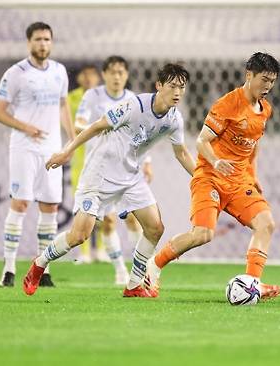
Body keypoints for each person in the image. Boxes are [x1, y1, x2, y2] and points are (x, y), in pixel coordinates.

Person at [22, 63, 195, 298]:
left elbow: (182, 153)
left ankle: (134, 284)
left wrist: (204, 178)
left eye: (181, 87)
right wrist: (67, 151)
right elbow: (97, 126)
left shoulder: (174, 119)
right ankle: (39, 264)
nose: (177, 92)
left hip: (131, 177)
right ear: (159, 86)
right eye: (172, 86)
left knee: (155, 228)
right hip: (100, 174)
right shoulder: (135, 105)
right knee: (79, 236)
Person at [144, 52, 280, 300]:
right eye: (264, 80)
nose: (268, 86)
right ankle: (153, 265)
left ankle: (251, 283)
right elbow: (201, 141)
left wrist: (254, 175)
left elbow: (254, 143)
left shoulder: (265, 110)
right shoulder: (228, 104)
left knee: (266, 224)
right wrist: (216, 161)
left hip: (240, 181)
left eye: (272, 81)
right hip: (210, 176)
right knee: (203, 234)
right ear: (249, 75)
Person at [0, 22, 75, 288]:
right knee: (20, 204)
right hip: (24, 147)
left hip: (51, 147)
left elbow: (63, 105)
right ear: (29, 42)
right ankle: (8, 268)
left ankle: (44, 269)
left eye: (47, 39)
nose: (43, 44)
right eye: (38, 39)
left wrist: (71, 139)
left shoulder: (60, 72)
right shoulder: (16, 73)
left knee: (50, 206)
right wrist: (26, 127)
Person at [74, 56, 145, 285]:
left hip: (126, 168)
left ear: (126, 75)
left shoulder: (133, 100)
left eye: (121, 72)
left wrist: (149, 161)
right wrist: (102, 130)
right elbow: (78, 124)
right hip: (100, 168)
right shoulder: (92, 96)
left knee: (134, 218)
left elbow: (142, 132)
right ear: (104, 74)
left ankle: (140, 270)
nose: (116, 76)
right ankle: (120, 271)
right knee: (109, 222)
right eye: (112, 72)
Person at [66, 65, 103, 265]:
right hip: (80, 160)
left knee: (105, 207)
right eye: (85, 74)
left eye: (92, 74)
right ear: (79, 77)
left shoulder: (104, 98)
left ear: (99, 77)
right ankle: (85, 252)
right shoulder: (71, 98)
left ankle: (103, 250)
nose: (89, 78)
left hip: (101, 159)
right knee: (83, 207)